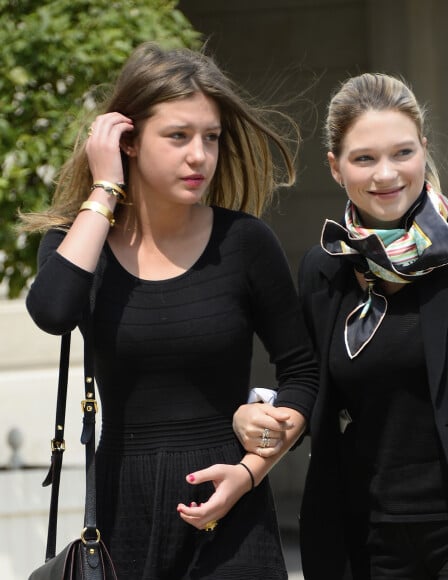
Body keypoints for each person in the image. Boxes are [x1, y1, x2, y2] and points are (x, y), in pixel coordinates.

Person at [234, 73, 448, 578]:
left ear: (423, 149)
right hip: (365, 540)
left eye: (402, 153)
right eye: (364, 158)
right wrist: (262, 415)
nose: (387, 175)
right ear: (335, 168)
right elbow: (311, 386)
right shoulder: (324, 266)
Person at [20, 41, 318, 580]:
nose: (199, 156)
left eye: (210, 138)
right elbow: (53, 312)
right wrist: (104, 189)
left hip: (233, 515)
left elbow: (303, 372)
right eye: (178, 136)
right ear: (128, 141)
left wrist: (250, 472)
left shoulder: (246, 244)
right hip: (121, 514)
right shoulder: (78, 243)